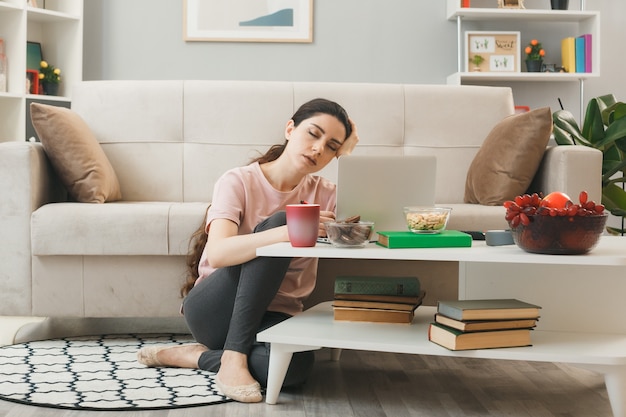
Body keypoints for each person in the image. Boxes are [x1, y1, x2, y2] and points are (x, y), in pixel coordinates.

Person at [136, 98, 358, 403]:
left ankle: (200, 358)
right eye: (313, 134)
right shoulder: (238, 181)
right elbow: (219, 254)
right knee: (284, 218)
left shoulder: (327, 194)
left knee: (293, 368)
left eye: (332, 146)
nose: (320, 149)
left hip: (276, 313)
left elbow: (374, 221)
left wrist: (347, 156)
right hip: (215, 310)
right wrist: (285, 232)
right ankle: (234, 353)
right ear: (290, 129)